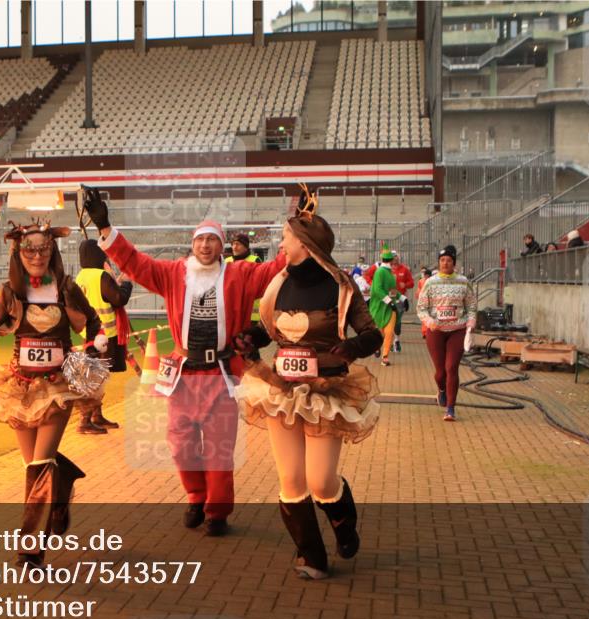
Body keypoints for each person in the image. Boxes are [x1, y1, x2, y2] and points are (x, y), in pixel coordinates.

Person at [83, 187, 286, 537]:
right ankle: (196, 496)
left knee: (220, 448)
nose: (205, 246)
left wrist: (299, 229)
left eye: (212, 240)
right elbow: (135, 262)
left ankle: (217, 512)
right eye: (199, 240)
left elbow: (277, 270)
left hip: (222, 374)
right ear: (192, 245)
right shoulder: (174, 273)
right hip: (184, 374)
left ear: (221, 247)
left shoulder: (239, 274)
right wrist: (106, 229)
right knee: (181, 444)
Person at [234, 190, 382, 580]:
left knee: (320, 481)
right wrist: (251, 338)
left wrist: (352, 346)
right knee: (291, 480)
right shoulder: (278, 285)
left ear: (305, 244)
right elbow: (270, 331)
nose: (281, 244)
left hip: (327, 392)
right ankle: (310, 555)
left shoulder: (341, 288)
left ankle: (342, 519)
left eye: (286, 238)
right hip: (280, 390)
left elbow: (373, 335)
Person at [0, 221, 106, 567]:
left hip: (58, 386)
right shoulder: (10, 292)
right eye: (28, 249)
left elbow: (92, 321)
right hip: (18, 386)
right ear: (18, 252)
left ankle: (30, 548)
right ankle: (62, 490)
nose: (36, 255)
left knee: (41, 464)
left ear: (52, 250)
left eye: (43, 249)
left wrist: (95, 343)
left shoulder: (65, 287)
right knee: (31, 464)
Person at [75, 239, 134, 435]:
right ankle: (85, 420)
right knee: (97, 379)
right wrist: (126, 283)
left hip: (89, 334)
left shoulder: (81, 276)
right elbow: (119, 298)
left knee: (97, 376)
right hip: (104, 334)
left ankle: (96, 415)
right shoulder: (100, 275)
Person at [417, 244, 477, 422]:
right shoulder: (430, 282)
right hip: (436, 330)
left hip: (457, 330)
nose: (445, 263)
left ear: (454, 263)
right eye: (442, 260)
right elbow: (421, 308)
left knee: (451, 368)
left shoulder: (463, 281)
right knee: (440, 372)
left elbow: (472, 306)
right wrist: (429, 321)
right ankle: (441, 390)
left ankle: (451, 408)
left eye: (449, 260)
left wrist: (470, 324)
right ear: (438, 263)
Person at [367, 246, 399, 366]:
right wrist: (389, 301)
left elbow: (392, 290)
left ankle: (385, 356)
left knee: (389, 332)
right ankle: (376, 347)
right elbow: (377, 290)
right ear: (390, 260)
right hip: (379, 307)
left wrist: (401, 298)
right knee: (379, 332)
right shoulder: (380, 272)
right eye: (393, 258)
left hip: (390, 309)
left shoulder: (391, 274)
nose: (395, 260)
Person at [388, 253, 414, 353]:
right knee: (389, 320)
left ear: (399, 258)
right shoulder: (386, 270)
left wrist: (405, 284)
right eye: (393, 258)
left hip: (400, 300)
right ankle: (389, 342)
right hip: (389, 298)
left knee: (397, 321)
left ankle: (397, 340)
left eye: (396, 257)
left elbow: (411, 283)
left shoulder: (404, 269)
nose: (395, 259)